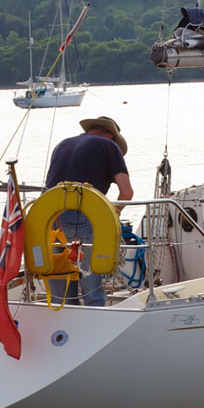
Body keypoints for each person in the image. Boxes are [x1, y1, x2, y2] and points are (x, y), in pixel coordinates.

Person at [43, 116, 133, 306]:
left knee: (61, 284)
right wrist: (112, 215)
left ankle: (63, 324)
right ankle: (94, 318)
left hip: (50, 217)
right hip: (84, 214)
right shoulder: (109, 146)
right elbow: (126, 192)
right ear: (110, 136)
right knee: (91, 286)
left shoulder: (62, 144)